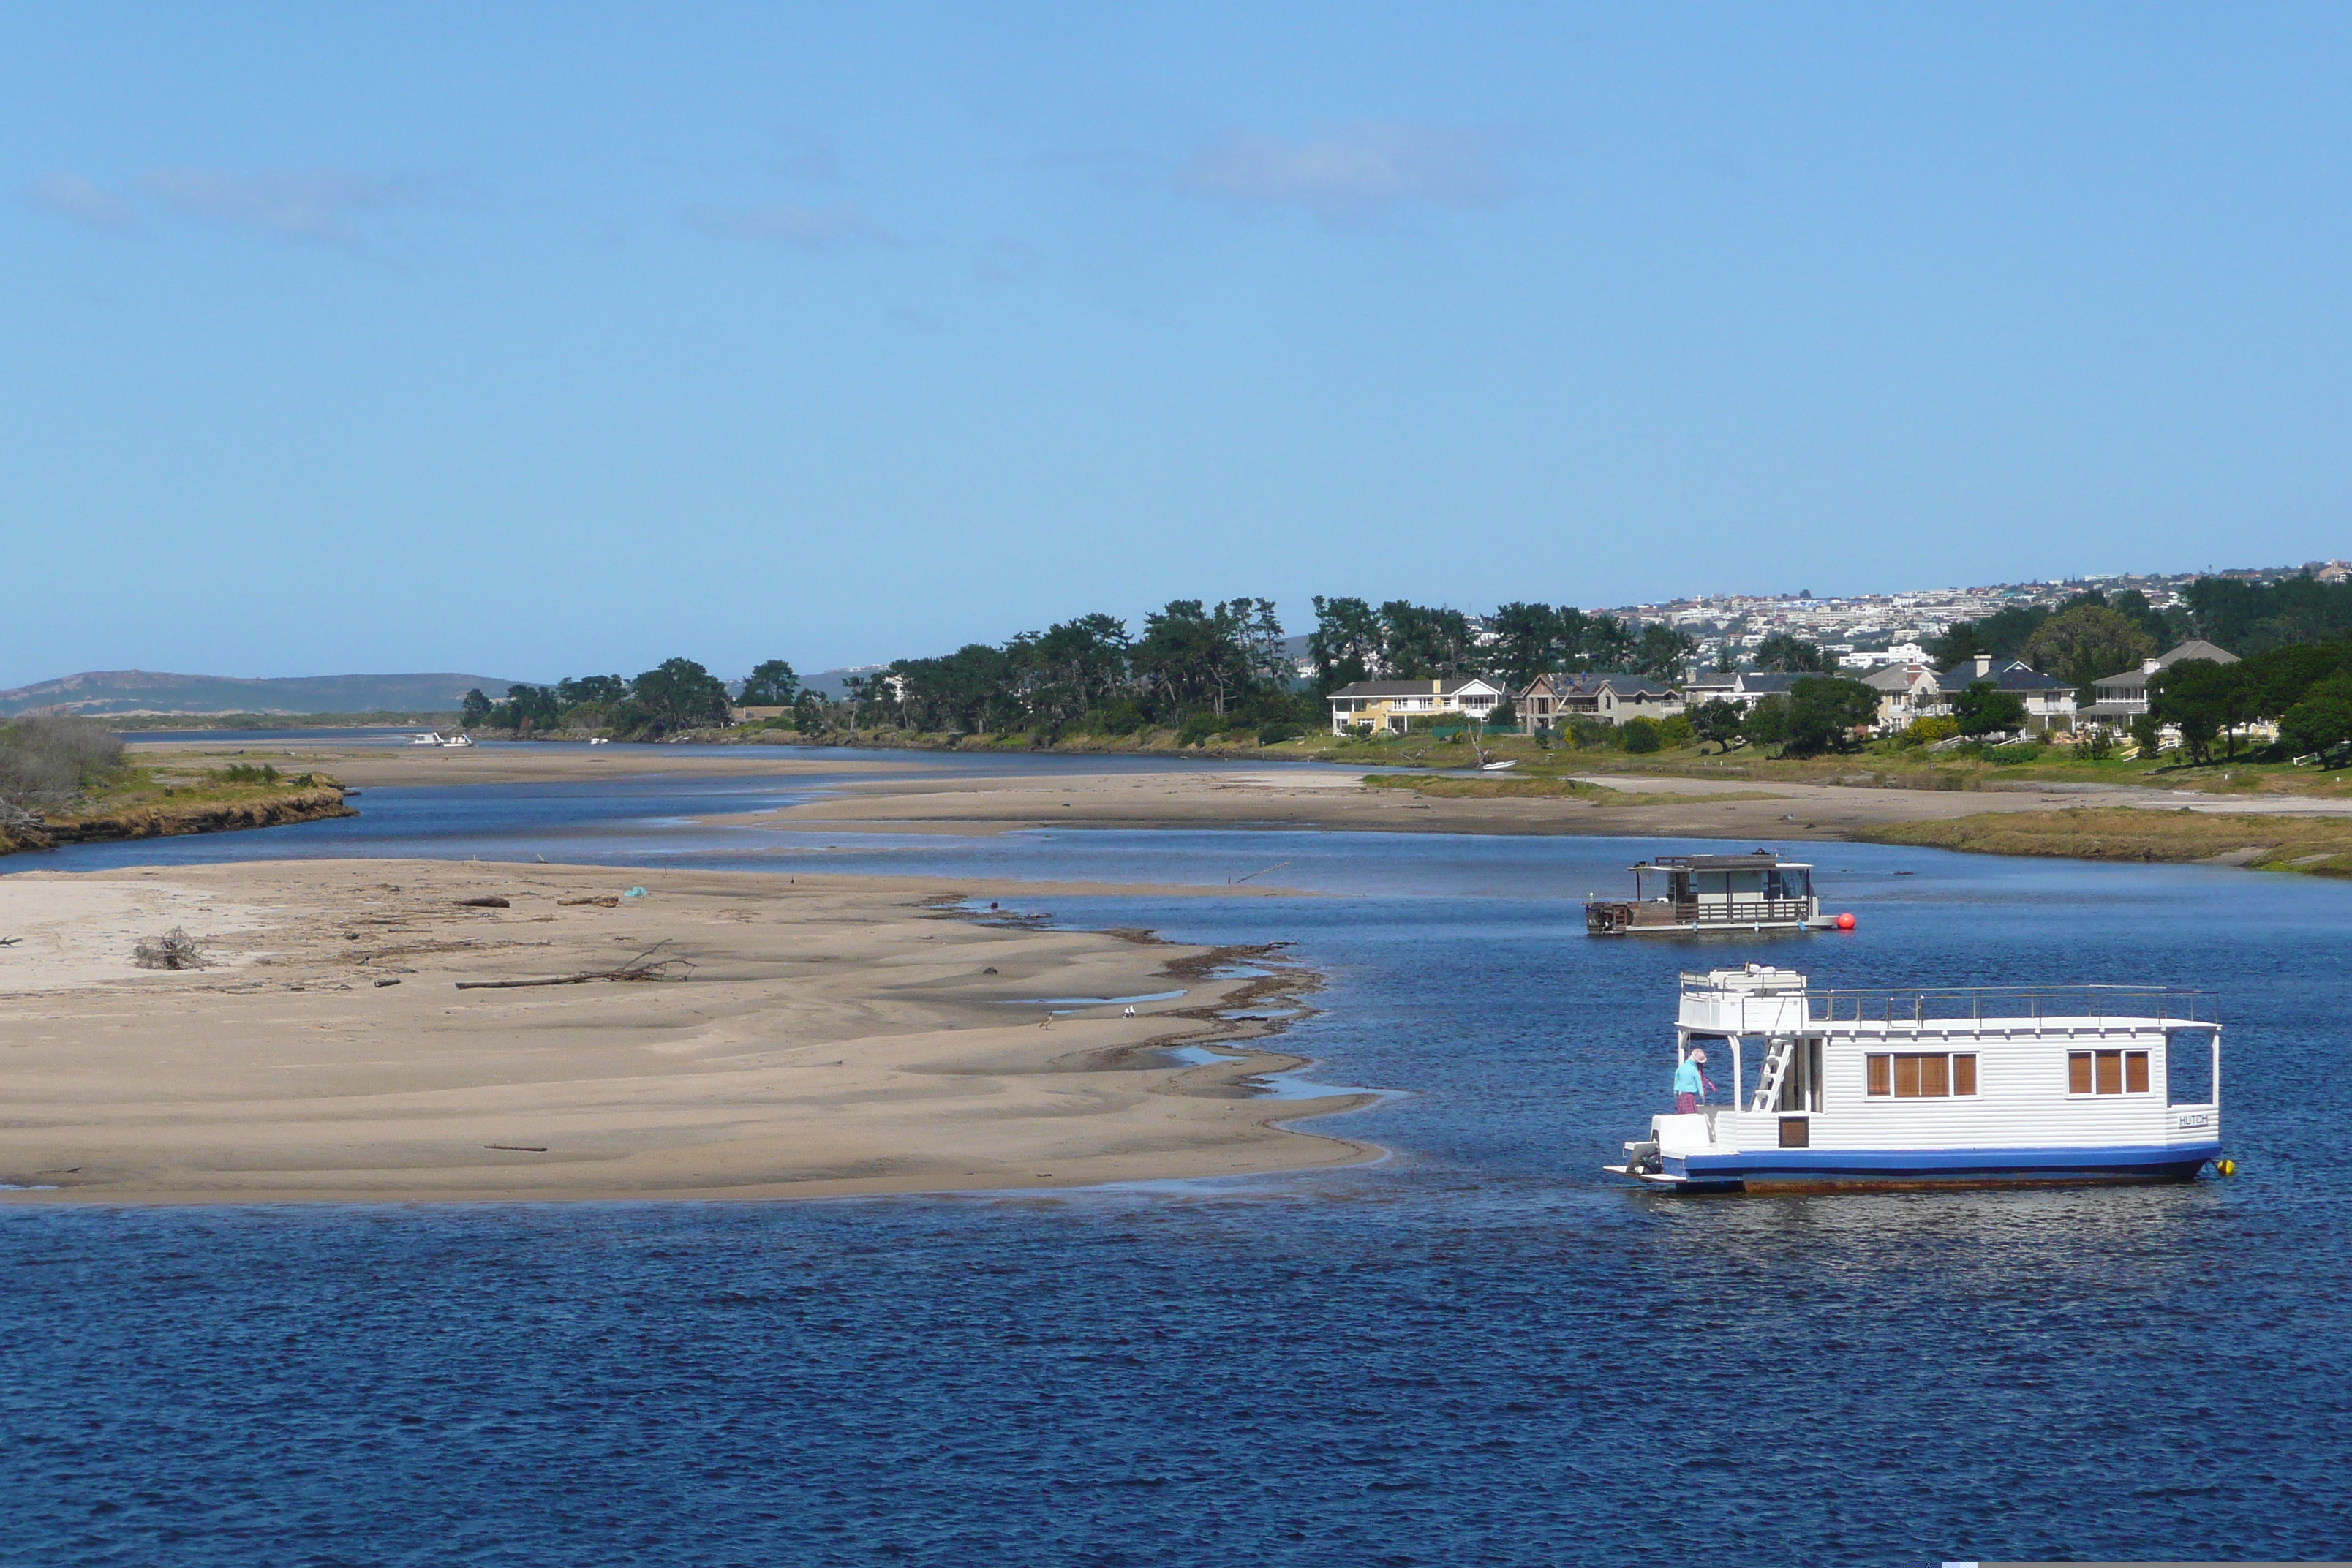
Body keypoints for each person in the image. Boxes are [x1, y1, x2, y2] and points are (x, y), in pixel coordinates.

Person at [1673, 1047, 1716, 1115]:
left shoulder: (1681, 1068)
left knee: (1681, 1114)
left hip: (1681, 1096)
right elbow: (1699, 1082)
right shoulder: (1694, 1070)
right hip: (1690, 1096)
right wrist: (1702, 1094)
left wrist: (1675, 1091)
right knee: (1691, 1114)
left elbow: (1676, 1078)